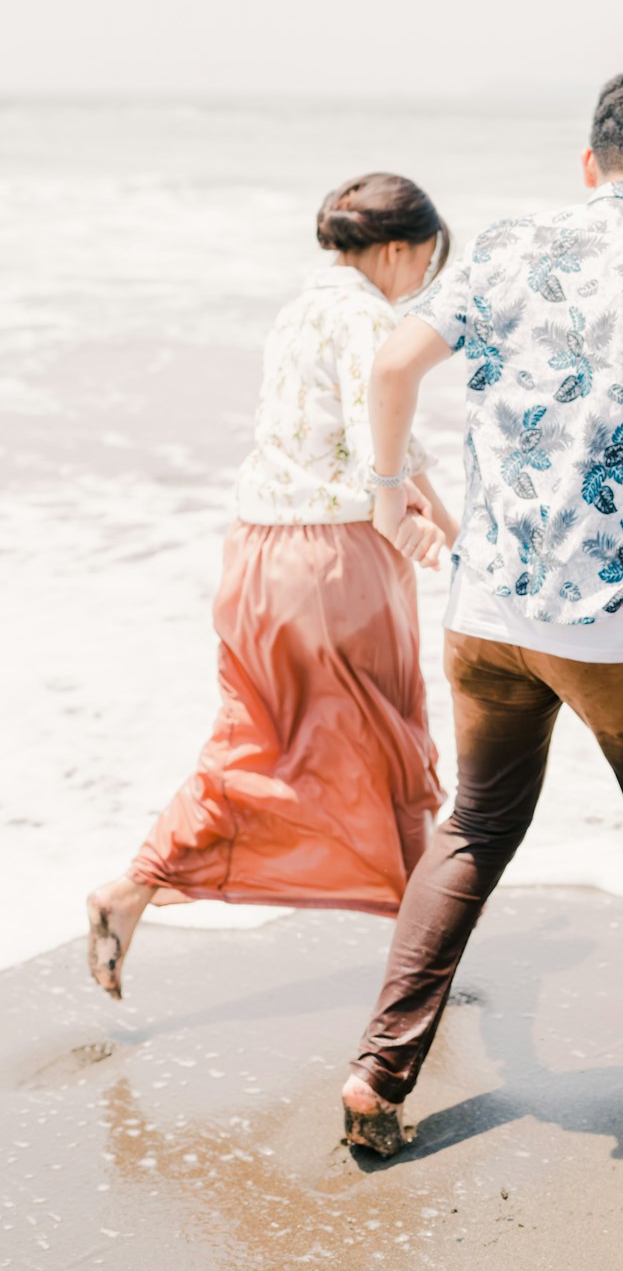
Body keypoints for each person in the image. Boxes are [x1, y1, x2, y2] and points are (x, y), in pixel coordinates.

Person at [341, 71, 623, 1157]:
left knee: (476, 825)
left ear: (587, 164)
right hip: (621, 620)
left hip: (490, 608)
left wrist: (388, 484)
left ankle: (377, 1068)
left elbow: (394, 358)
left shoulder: (502, 245)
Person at [87, 172, 455, 1000]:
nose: (421, 280)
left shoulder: (298, 309)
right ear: (397, 249)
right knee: (391, 742)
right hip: (335, 564)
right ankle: (426, 958)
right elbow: (382, 448)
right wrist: (433, 532)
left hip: (255, 555)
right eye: (424, 261)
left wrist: (452, 524)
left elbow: (370, 440)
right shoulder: (369, 315)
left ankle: (132, 887)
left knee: (249, 741)